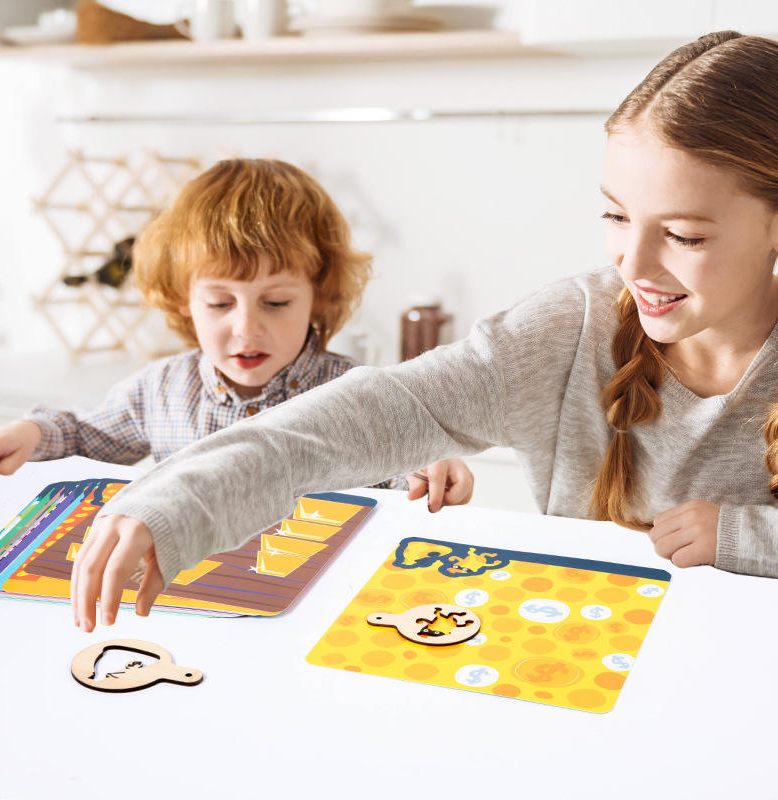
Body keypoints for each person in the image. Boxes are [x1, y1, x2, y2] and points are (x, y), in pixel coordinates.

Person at [70, 31, 778, 633]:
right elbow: (379, 409)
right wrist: (181, 497)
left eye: (684, 235)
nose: (633, 264)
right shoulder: (574, 327)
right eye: (617, 217)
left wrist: (744, 536)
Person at [0, 160, 473, 502]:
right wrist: (31, 433)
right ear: (183, 299)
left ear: (318, 295)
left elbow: (409, 462)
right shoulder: (161, 391)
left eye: (276, 302)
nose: (246, 328)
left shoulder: (357, 396)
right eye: (219, 303)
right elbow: (85, 435)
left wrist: (433, 468)